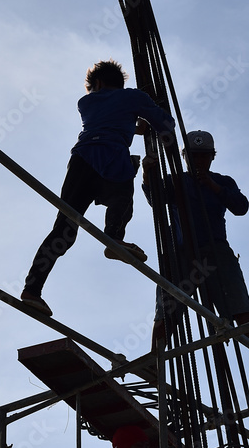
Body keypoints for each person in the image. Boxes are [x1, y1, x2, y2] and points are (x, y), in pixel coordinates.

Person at [21, 60, 175, 317]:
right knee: (123, 195)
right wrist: (150, 113)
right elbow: (163, 123)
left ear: (98, 84)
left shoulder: (86, 103)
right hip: (112, 158)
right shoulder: (132, 98)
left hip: (82, 162)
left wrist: (136, 122)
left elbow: (111, 116)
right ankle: (114, 237)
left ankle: (31, 290)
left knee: (63, 231)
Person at [144, 130, 249, 372]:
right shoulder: (176, 181)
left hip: (215, 250)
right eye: (194, 156)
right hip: (181, 252)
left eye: (204, 156)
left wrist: (214, 186)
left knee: (237, 297)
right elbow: (155, 199)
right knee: (168, 305)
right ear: (185, 157)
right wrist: (148, 172)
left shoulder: (224, 181)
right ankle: (154, 359)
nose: (199, 161)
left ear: (212, 157)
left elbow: (241, 207)